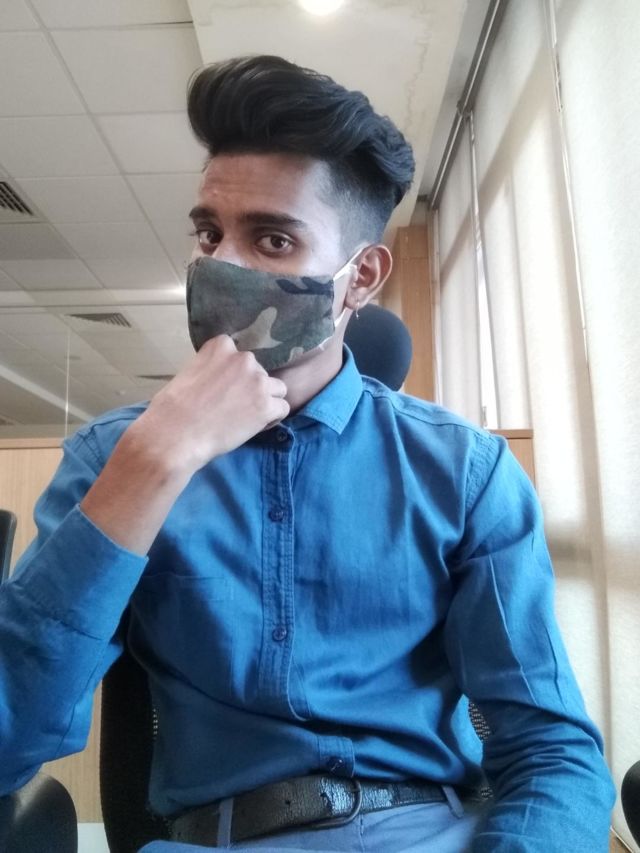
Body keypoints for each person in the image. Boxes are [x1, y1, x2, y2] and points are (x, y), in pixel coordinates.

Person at [0, 55, 614, 852]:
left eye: (273, 238)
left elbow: (553, 750)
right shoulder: (114, 457)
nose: (223, 265)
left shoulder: (461, 473)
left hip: (423, 833)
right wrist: (151, 466)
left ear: (361, 277)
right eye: (209, 233)